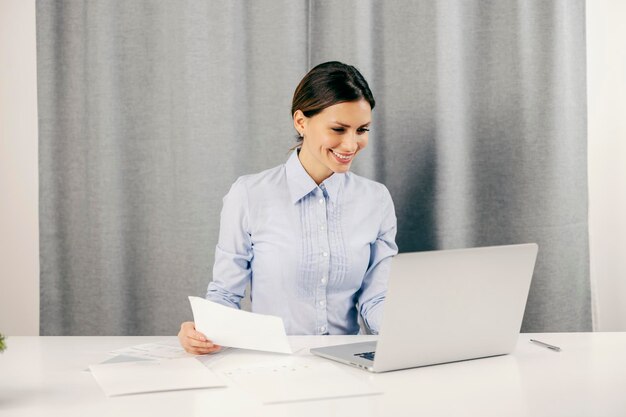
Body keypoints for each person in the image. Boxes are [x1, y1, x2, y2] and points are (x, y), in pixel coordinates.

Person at [178, 61, 398, 355]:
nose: (351, 144)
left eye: (362, 129)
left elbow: (376, 297)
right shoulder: (249, 195)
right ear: (301, 121)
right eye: (338, 129)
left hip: (348, 364)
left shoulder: (376, 199)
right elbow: (225, 293)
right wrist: (202, 330)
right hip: (272, 365)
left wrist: (408, 331)